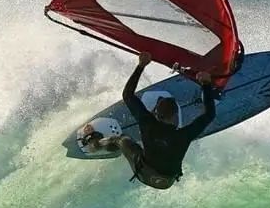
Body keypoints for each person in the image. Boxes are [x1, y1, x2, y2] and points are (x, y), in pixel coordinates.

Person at [82, 51, 216, 190]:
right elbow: (210, 114)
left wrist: (141, 65)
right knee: (151, 151)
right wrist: (206, 84)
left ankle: (94, 144)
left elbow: (127, 95)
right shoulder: (184, 135)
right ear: (176, 116)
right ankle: (98, 145)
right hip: (166, 182)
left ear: (156, 114)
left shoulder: (148, 123)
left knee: (121, 140)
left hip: (145, 172)